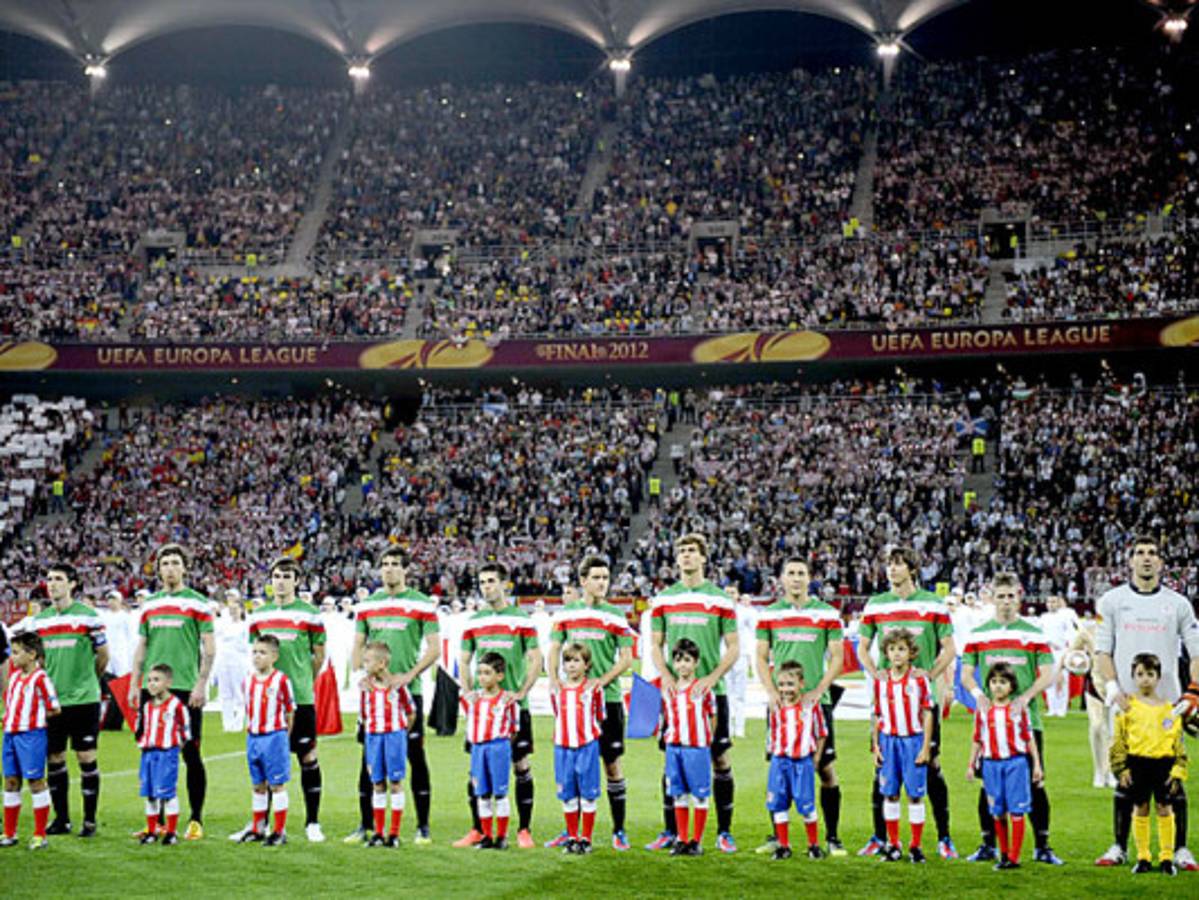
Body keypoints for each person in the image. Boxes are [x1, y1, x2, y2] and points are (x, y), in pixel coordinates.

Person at [1093, 535, 1199, 870]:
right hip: (1127, 706)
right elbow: (1101, 652)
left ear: (1161, 562)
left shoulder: (1178, 603)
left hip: (1168, 706)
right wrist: (1112, 687)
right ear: (1131, 561)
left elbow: (1196, 653)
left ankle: (1179, 849)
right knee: (1125, 776)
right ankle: (1119, 846)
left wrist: (1194, 690)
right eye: (1139, 553)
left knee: (1172, 778)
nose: (1146, 559)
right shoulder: (1112, 601)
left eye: (1152, 553)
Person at [856, 545, 957, 860]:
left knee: (931, 767)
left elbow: (949, 648)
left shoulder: (932, 604)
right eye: (889, 564)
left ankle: (943, 838)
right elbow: (862, 648)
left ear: (912, 569)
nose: (892, 569)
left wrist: (928, 677)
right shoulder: (876, 604)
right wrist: (876, 676)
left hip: (919, 705)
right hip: (888, 704)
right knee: (882, 767)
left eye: (898, 564)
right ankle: (881, 838)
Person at [960, 572, 1062, 865]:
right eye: (1000, 596)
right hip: (991, 727)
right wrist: (978, 693)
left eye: (1011, 596)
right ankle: (988, 844)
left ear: (1020, 596)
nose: (1006, 602)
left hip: (1026, 724)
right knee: (988, 786)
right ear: (991, 597)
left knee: (1035, 782)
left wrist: (1027, 696)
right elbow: (966, 673)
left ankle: (1042, 845)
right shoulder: (979, 634)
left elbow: (1048, 673)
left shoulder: (1034, 633)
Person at [647, 534, 739, 854]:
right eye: (682, 551)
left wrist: (711, 679)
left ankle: (723, 832)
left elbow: (734, 647)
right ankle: (672, 830)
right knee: (673, 760)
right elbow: (656, 645)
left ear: (703, 558)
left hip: (712, 692)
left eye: (692, 552)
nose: (686, 556)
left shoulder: (720, 600)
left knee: (719, 758)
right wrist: (666, 678)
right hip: (676, 694)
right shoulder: (663, 599)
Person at [346, 547, 439, 844]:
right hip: (374, 698)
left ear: (406, 570)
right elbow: (358, 646)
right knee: (368, 762)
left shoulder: (422, 604)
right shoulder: (367, 605)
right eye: (384, 564)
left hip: (406, 694)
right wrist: (361, 674)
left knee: (415, 758)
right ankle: (367, 825)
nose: (389, 569)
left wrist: (407, 677)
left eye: (395, 564)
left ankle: (422, 826)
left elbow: (435, 649)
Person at [755, 558, 846, 855]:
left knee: (824, 768)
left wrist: (819, 691)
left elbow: (837, 658)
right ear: (781, 579)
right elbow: (759, 657)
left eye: (801, 573)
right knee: (779, 768)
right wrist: (771, 694)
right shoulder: (769, 615)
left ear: (811, 578)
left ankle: (831, 837)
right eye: (791, 573)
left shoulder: (827, 614)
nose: (796, 578)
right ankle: (778, 838)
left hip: (817, 705)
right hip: (781, 704)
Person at [546, 555, 634, 850]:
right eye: (596, 578)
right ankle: (572, 832)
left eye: (605, 578)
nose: (602, 583)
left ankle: (618, 830)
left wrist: (601, 680)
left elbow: (626, 658)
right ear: (583, 581)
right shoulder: (565, 614)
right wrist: (554, 680)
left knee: (611, 765)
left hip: (606, 700)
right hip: (574, 705)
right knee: (571, 770)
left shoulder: (616, 616)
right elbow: (554, 649)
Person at [129, 544, 215, 840]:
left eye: (175, 562)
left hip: (184, 689)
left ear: (185, 568)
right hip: (151, 689)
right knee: (152, 752)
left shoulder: (198, 603)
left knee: (190, 753)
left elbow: (209, 648)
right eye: (164, 563)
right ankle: (157, 822)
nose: (169, 568)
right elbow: (141, 647)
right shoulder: (149, 605)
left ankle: (195, 818)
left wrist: (201, 683)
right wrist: (133, 683)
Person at [456, 562, 542, 849]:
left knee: (520, 766)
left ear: (505, 584)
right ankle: (478, 829)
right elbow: (464, 660)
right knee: (476, 769)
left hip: (513, 708)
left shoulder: (522, 620)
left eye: (491, 581)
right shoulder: (473, 622)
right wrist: (468, 692)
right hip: (484, 711)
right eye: (482, 581)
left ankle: (523, 829)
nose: (486, 586)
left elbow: (535, 659)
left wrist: (521, 692)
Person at [246, 557, 327, 842]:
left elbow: (319, 656)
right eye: (276, 576)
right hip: (268, 704)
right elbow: (255, 655)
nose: (280, 581)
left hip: (301, 698)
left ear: (296, 581)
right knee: (266, 765)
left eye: (286, 576)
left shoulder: (310, 615)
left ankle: (312, 822)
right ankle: (261, 823)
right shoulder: (259, 616)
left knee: (307, 756)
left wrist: (303, 681)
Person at [32, 562, 108, 838]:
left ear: (72, 584)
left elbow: (103, 656)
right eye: (49, 579)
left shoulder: (89, 616)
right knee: (55, 759)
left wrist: (88, 680)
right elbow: (38, 659)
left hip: (84, 699)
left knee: (86, 757)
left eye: (58, 579)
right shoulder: (40, 621)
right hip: (52, 701)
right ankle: (61, 819)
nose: (52, 584)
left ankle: (89, 820)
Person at [1111, 653, 1188, 876]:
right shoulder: (1128, 707)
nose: (1145, 679)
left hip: (1163, 764)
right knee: (1140, 808)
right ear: (1133, 677)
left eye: (1150, 674)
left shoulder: (1169, 709)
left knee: (1165, 808)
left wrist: (1178, 769)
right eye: (1140, 674)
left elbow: (1177, 743)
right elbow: (1119, 740)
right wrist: (1121, 768)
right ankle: (1143, 857)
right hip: (1137, 763)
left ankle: (1166, 858)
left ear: (1158, 677)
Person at [966, 662, 1043, 870]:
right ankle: (1004, 853)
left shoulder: (1018, 710)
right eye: (994, 682)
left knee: (1017, 810)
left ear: (1011, 686)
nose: (998, 686)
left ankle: (1014, 857)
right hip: (991, 765)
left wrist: (1036, 764)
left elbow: (1029, 739)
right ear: (988, 685)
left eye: (1003, 682)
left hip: (1015, 764)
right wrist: (971, 764)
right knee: (997, 811)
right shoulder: (983, 711)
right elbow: (977, 739)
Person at [871, 630, 934, 864]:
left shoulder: (919, 679)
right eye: (892, 649)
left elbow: (928, 713)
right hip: (888, 742)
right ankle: (893, 843)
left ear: (911, 653)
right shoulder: (881, 680)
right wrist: (875, 745)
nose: (896, 654)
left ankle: (915, 846)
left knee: (915, 795)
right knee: (890, 793)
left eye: (901, 649)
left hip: (912, 741)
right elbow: (877, 714)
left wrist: (926, 747)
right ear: (886, 653)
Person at [1, 632, 60, 849]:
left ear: (32, 654)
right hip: (10, 735)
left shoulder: (41, 678)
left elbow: (54, 707)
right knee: (10, 781)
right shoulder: (15, 677)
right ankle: (9, 833)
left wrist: (33, 719)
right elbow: (11, 703)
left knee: (35, 781)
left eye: (16, 653)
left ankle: (39, 834)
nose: (12, 657)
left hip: (31, 736)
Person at [765, 660, 827, 862]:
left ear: (801, 683)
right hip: (780, 761)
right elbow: (772, 733)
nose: (785, 689)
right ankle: (783, 846)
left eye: (790, 684)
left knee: (806, 804)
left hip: (802, 762)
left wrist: (816, 759)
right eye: (781, 684)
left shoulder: (810, 707)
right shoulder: (774, 706)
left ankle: (814, 845)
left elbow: (821, 733)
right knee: (778, 804)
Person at [239, 635, 295, 847]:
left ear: (274, 656)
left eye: (262, 653)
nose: (257, 657)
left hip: (274, 737)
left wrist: (282, 737)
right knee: (258, 786)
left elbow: (290, 710)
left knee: (277, 785)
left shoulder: (281, 680)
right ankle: (258, 828)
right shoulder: (248, 680)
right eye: (254, 652)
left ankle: (279, 831)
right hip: (253, 737)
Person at [459, 651, 519, 850]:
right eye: (480, 673)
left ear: (499, 676)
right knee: (482, 794)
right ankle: (487, 836)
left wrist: (502, 747)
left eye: (487, 673)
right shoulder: (473, 699)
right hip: (477, 749)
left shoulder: (507, 701)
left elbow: (514, 728)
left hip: (498, 747)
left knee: (499, 793)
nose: (482, 677)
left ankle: (502, 837)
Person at [550, 642, 605, 854]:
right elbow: (558, 714)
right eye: (567, 661)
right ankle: (572, 837)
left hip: (587, 746)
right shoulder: (558, 689)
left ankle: (586, 838)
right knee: (567, 794)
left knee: (588, 794)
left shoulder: (593, 688)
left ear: (586, 664)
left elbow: (600, 715)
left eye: (576, 661)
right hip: (562, 748)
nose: (571, 666)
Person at [662, 638, 715, 858]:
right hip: (675, 748)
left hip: (697, 748)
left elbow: (713, 715)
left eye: (687, 660)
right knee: (678, 794)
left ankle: (696, 840)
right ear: (673, 664)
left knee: (700, 795)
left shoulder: (702, 689)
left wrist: (706, 739)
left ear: (696, 663)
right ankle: (682, 839)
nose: (683, 665)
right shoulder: (669, 690)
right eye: (678, 660)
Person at [360, 641, 415, 848]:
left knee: (395, 782)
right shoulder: (365, 688)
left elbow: (411, 713)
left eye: (368, 661)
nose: (364, 664)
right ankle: (378, 832)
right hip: (374, 737)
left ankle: (394, 833)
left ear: (382, 663)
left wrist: (399, 732)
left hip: (394, 737)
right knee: (377, 783)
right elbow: (364, 716)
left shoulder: (397, 687)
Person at [135, 663, 191, 845]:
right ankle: (151, 831)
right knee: (150, 793)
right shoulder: (147, 706)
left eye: (156, 680)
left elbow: (185, 728)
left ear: (168, 682)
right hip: (148, 754)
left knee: (167, 793)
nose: (151, 684)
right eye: (149, 680)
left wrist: (177, 745)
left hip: (167, 754)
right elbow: (143, 727)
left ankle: (171, 832)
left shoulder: (175, 705)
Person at [214, 591, 250, 732]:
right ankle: (227, 724)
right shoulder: (224, 624)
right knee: (225, 694)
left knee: (239, 693)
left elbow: (247, 646)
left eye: (236, 609)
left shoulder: (245, 625)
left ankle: (240, 721)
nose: (233, 612)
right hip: (224, 661)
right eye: (231, 610)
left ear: (241, 610)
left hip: (239, 661)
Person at [1039, 595, 1079, 718]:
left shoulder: (1064, 617)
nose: (1051, 604)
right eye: (1049, 601)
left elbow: (1072, 635)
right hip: (1047, 651)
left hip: (1061, 651)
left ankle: (1062, 709)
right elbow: (1039, 633)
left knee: (1062, 680)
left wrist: (1068, 650)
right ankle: (1052, 708)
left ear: (1058, 603)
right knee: (1048, 680)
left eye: (1054, 602)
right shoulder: (1043, 618)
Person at [728, 587, 757, 739]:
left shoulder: (745, 612)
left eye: (732, 592)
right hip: (723, 657)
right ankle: (726, 727)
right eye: (727, 592)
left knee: (739, 694)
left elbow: (754, 632)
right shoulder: (719, 612)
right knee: (725, 694)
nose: (730, 595)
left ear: (738, 595)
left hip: (740, 656)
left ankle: (739, 728)